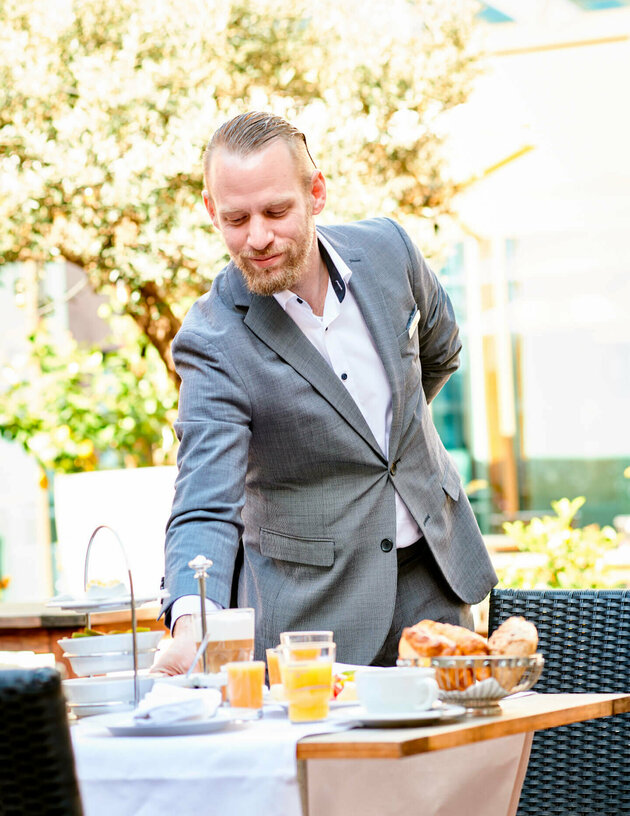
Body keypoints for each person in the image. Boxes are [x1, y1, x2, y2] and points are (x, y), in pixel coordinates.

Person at [153, 111, 497, 675]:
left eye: (276, 211)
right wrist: (193, 624)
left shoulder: (390, 252)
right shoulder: (213, 340)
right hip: (313, 616)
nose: (257, 237)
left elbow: (440, 352)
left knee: (449, 759)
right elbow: (205, 502)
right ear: (212, 212)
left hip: (434, 580)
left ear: (316, 192)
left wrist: (382, 442)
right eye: (236, 219)